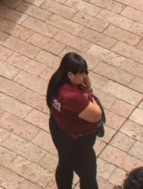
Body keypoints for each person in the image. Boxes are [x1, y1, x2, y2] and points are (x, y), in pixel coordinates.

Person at [47, 53, 102, 189]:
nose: (85, 76)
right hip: (77, 141)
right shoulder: (72, 96)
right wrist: (90, 94)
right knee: (88, 175)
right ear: (70, 75)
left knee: (65, 163)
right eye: (82, 73)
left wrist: (84, 82)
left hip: (60, 130)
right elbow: (96, 114)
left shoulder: (57, 81)